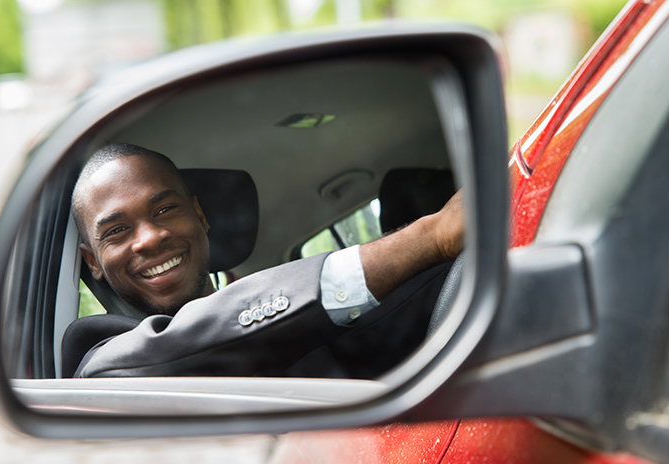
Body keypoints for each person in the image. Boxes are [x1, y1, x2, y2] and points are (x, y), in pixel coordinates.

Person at [64, 143, 465, 378]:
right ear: (92, 262)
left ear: (200, 215)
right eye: (116, 231)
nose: (150, 238)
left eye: (166, 209)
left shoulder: (301, 328)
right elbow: (191, 338)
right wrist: (432, 236)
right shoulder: (101, 358)